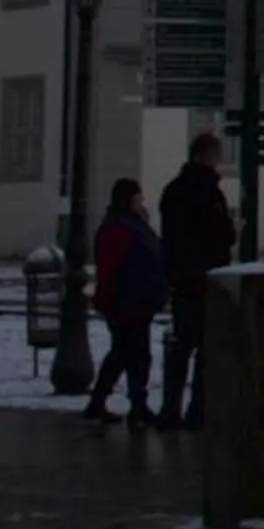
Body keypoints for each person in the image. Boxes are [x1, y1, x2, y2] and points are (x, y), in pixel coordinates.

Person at [157, 132, 236, 431]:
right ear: (207, 157)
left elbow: (173, 237)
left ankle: (170, 408)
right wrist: (230, 230)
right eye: (217, 156)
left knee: (181, 347)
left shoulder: (173, 190)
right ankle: (198, 410)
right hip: (206, 279)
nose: (220, 163)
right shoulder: (208, 191)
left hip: (181, 279)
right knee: (206, 349)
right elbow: (220, 235)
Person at [84, 177, 168, 427]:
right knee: (131, 353)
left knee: (127, 353)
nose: (141, 200)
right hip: (127, 300)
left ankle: (113, 402)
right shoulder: (121, 227)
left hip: (134, 298)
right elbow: (112, 267)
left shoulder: (128, 224)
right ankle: (128, 404)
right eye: (138, 196)